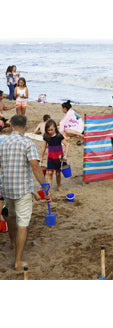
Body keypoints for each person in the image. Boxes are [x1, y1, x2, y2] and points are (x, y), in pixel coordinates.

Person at [0, 114, 50, 270]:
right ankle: (18, 262)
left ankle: (13, 243)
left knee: (11, 216)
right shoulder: (28, 143)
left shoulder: (3, 142)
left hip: (6, 187)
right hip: (22, 190)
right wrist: (45, 186)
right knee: (23, 225)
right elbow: (35, 167)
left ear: (11, 127)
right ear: (26, 128)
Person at [40, 119, 69, 192]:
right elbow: (43, 148)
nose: (50, 131)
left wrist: (65, 156)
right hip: (50, 158)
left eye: (51, 130)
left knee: (58, 173)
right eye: (48, 130)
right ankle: (48, 189)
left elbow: (66, 145)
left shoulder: (59, 136)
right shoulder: (46, 136)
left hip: (59, 158)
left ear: (55, 128)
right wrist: (41, 157)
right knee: (49, 173)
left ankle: (58, 186)